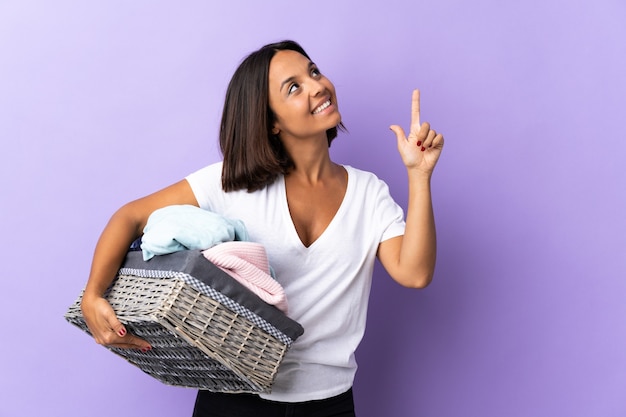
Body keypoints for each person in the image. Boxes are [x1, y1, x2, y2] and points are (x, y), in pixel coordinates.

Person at [80, 40, 444, 417]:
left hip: (329, 403)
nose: (317, 86)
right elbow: (130, 216)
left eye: (314, 71)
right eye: (294, 87)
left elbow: (414, 273)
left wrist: (419, 175)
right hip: (233, 398)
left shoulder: (368, 192)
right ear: (271, 120)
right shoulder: (232, 184)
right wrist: (94, 294)